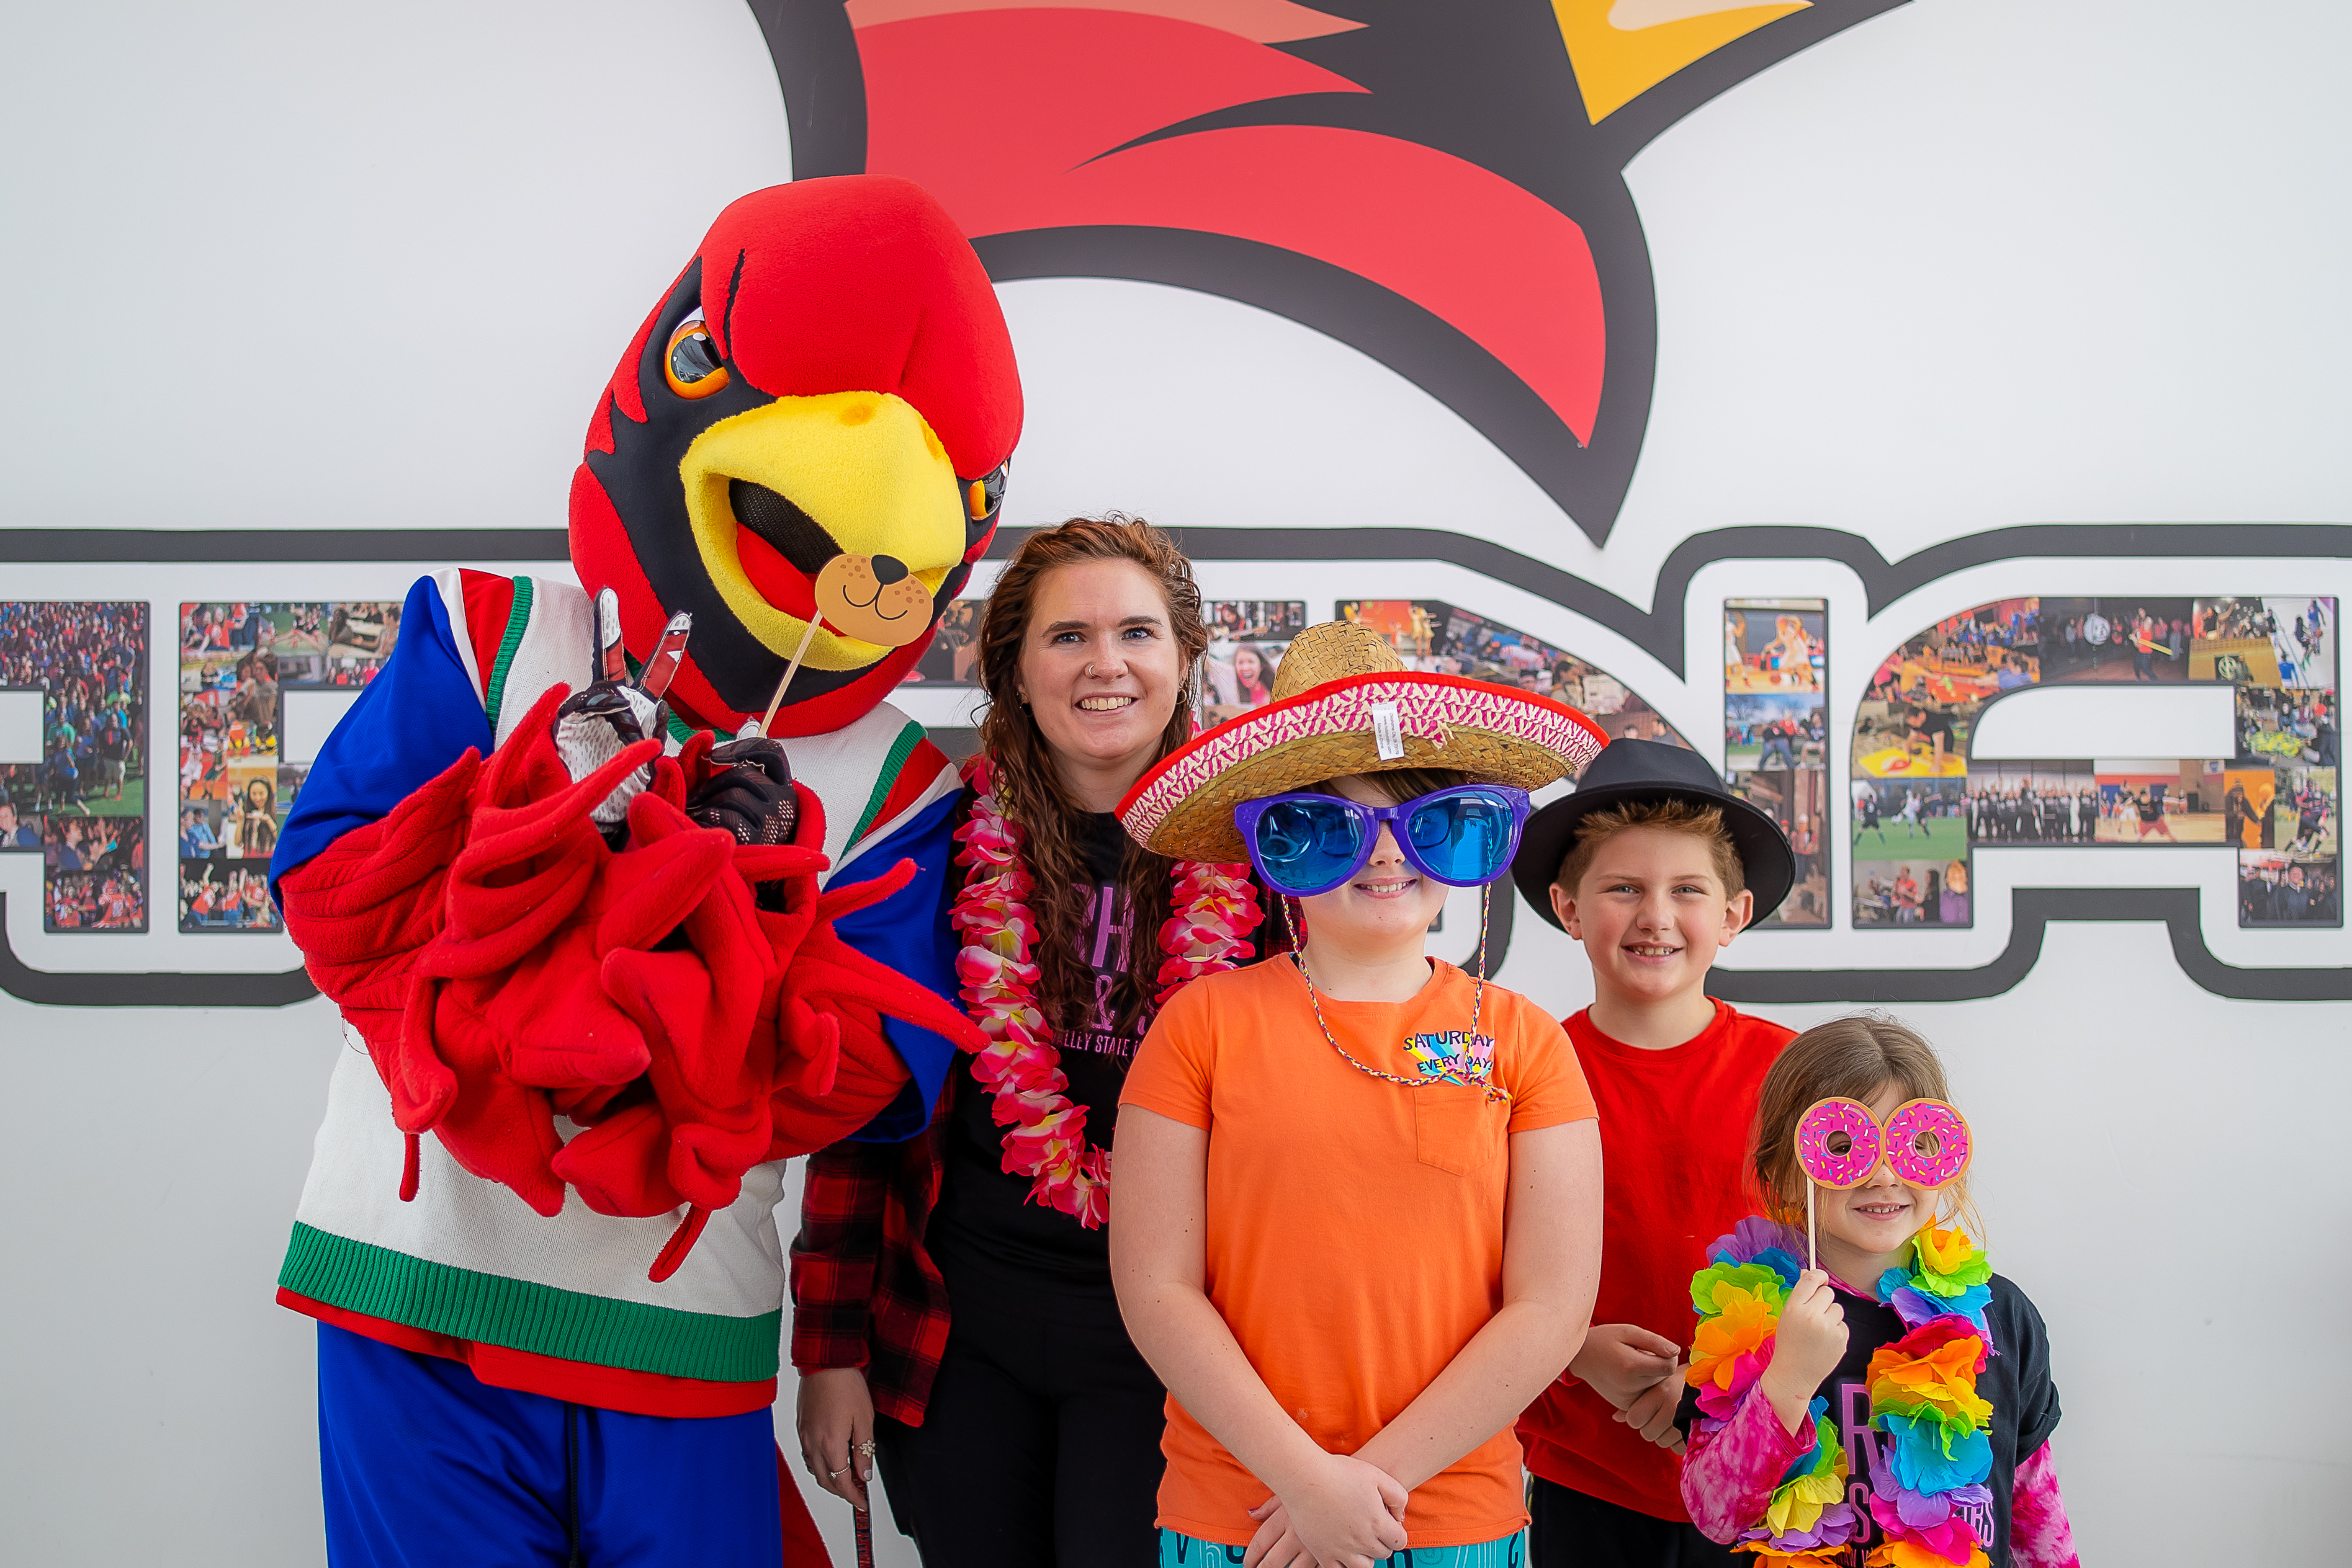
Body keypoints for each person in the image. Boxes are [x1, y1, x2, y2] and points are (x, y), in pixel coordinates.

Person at [792, 518, 1265, 1564]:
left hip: (1174, 1337)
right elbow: (867, 1104)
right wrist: (827, 1353)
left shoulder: (1271, 861)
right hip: (960, 1328)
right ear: (1009, 669)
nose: (1106, 665)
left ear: (1184, 660)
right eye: (1067, 637)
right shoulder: (933, 842)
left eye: (1138, 633)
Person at [1113, 619, 1608, 1567]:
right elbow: (1155, 1288)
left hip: (1454, 1516)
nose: (1386, 855)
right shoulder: (1197, 1025)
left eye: (1426, 822)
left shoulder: (1525, 1042)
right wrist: (1303, 1483)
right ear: (1275, 852)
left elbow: (1547, 1308)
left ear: (1471, 839)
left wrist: (1359, 1487)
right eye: (1327, 826)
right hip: (1242, 1519)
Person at [1505, 738, 1800, 1568]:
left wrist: (1719, 1394)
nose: (1655, 917)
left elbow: (1849, 1262)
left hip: (1774, 1478)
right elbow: (1471, 1260)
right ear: (1567, 907)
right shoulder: (1522, 1073)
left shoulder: (1794, 1076)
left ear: (1734, 914)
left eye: (1686, 891)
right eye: (1623, 888)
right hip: (1586, 1479)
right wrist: (1568, 1348)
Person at [1679, 1016, 2078, 1567]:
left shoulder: (2000, 1316)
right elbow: (1715, 1513)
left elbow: (2037, 1510)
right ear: (1784, 1172)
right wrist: (1788, 1378)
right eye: (1843, 1146)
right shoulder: (1748, 1320)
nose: (1884, 1174)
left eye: (1913, 1143)